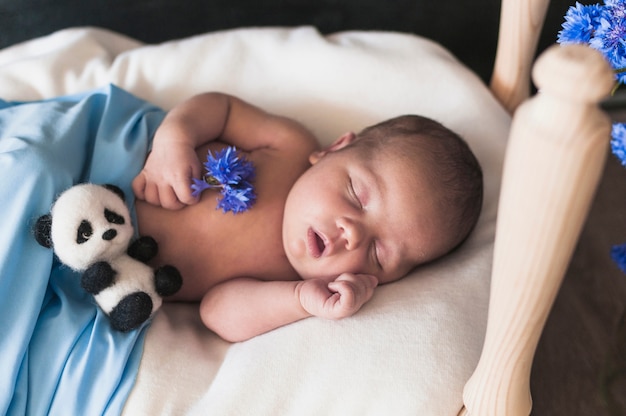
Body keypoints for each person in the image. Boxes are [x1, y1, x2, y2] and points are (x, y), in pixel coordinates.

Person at [132, 92, 483, 342]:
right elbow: (221, 109)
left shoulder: (284, 278)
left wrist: (301, 299)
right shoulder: (290, 146)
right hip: (120, 161)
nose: (353, 235)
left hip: (108, 263)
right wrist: (173, 141)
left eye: (377, 254)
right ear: (334, 149)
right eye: (357, 196)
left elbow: (216, 312)